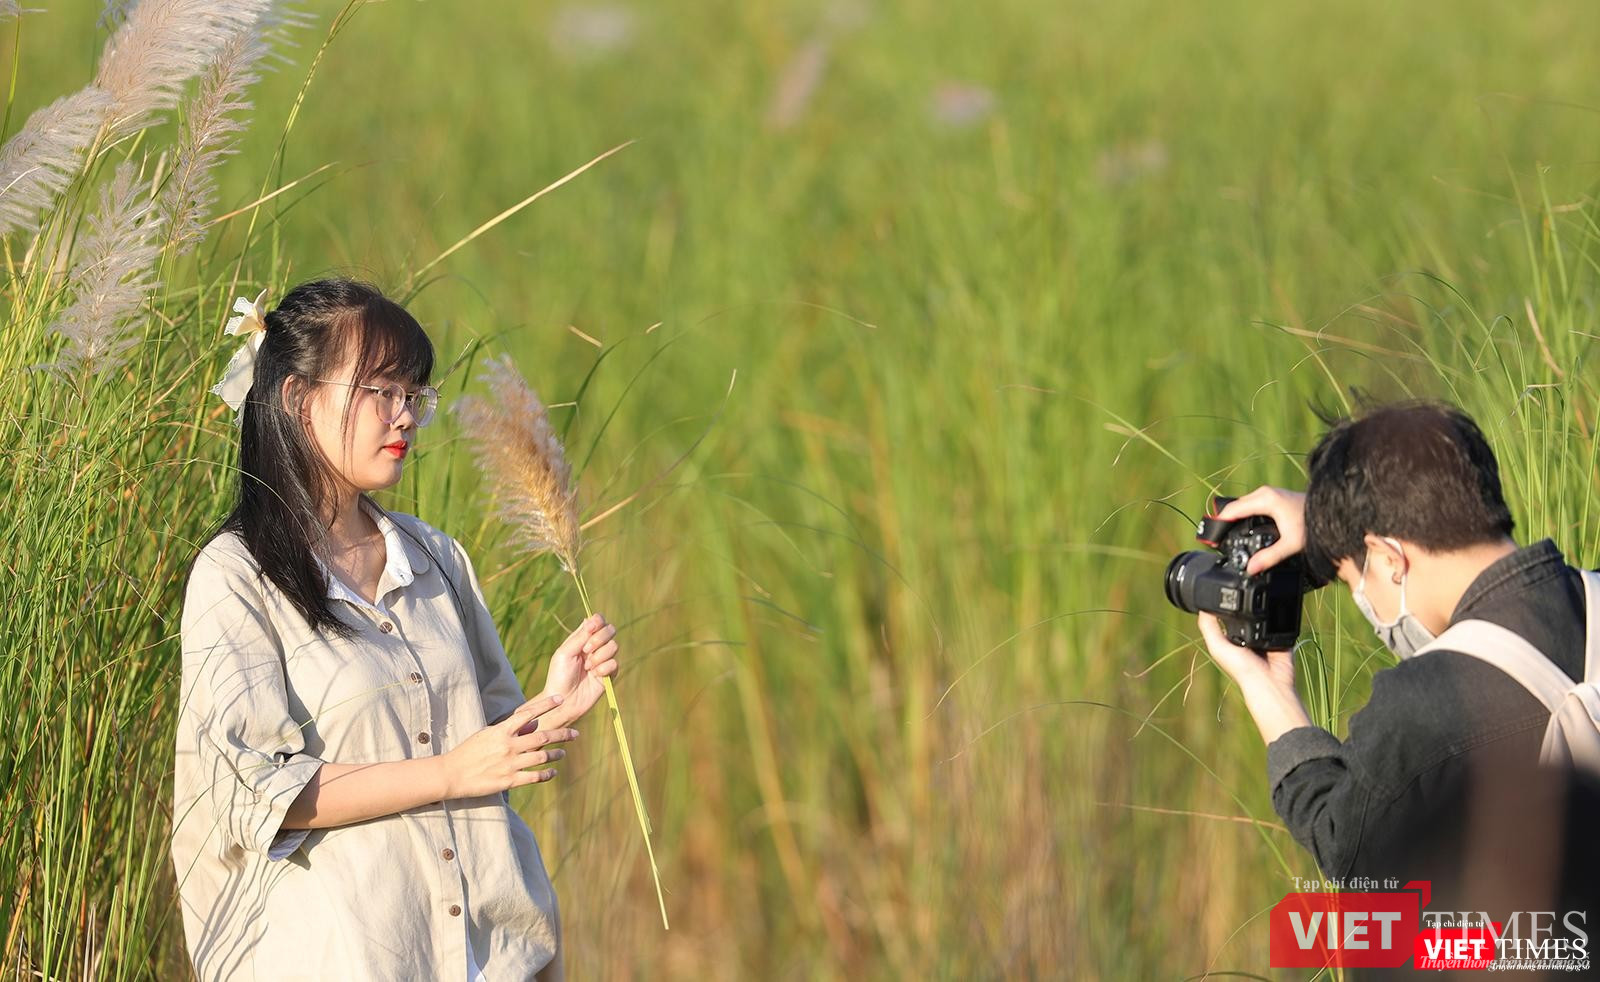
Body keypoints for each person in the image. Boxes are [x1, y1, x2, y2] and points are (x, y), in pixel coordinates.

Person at [171, 278, 620, 981]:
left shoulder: (436, 557)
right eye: (382, 391)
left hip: (487, 955)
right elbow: (260, 794)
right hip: (351, 958)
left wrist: (555, 703)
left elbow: (482, 753)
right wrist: (448, 774)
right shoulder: (236, 576)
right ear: (297, 398)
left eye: (414, 393)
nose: (405, 415)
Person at [1196, 401, 1599, 958]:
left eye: (1353, 580)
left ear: (1389, 557)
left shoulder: (1425, 699)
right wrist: (1332, 520)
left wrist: (1267, 688)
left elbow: (1345, 848)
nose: (1368, 604)